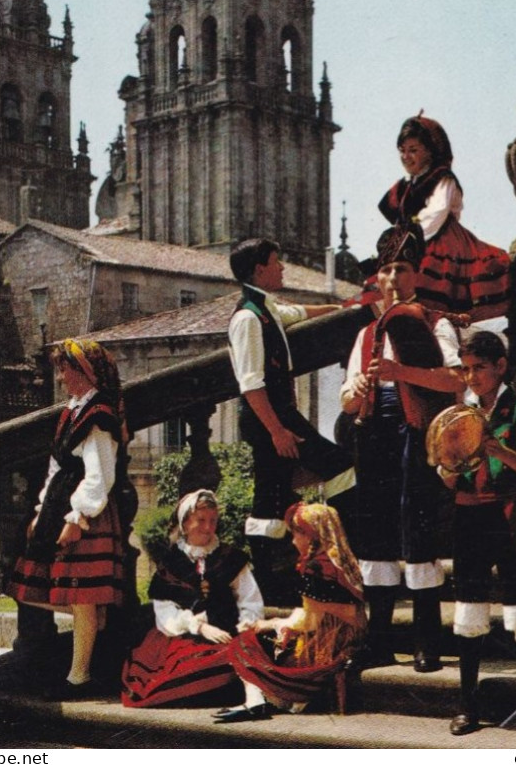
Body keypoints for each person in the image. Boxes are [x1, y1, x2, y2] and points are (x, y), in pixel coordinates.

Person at [340, 223, 463, 670]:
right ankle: (379, 640)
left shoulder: (436, 322)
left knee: (417, 526)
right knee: (375, 531)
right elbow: (349, 398)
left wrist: (400, 372)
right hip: (374, 431)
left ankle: (426, 641)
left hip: (418, 430)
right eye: (387, 270)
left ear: (416, 275)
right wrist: (355, 389)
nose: (393, 278)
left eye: (402, 269)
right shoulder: (365, 334)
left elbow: (455, 380)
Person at [437, 332, 516, 741]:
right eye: (465, 369)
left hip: (508, 516)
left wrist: (494, 449)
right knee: (468, 613)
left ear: (500, 366)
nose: (471, 377)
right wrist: (448, 465)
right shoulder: (458, 413)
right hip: (469, 517)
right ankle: (467, 706)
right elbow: (448, 474)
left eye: (479, 368)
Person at [228, 237, 355, 600]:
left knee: (273, 496)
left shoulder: (265, 310)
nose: (283, 267)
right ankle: (276, 581)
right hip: (270, 421)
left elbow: (297, 313)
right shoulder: (248, 319)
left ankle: (277, 581)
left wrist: (340, 308)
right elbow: (251, 384)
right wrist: (277, 432)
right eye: (276, 261)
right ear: (259, 269)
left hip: (280, 418)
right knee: (329, 472)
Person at [8, 338, 128, 699]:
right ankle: (80, 667)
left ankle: (80, 676)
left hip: (86, 512)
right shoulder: (73, 411)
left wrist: (78, 517)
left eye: (66, 369)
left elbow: (100, 475)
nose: (61, 377)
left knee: (84, 597)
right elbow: (55, 466)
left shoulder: (99, 415)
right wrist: (42, 509)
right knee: (64, 593)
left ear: (85, 372)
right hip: (61, 505)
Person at [121, 489, 269, 718]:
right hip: (182, 636)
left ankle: (251, 697)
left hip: (227, 631)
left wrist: (244, 625)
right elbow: (165, 613)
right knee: (184, 669)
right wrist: (199, 627)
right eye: (201, 520)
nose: (208, 527)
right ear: (185, 523)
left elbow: (250, 600)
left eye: (213, 521)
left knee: (240, 649)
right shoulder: (170, 563)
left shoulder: (230, 558)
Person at [225, 501, 367, 716]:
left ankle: (258, 700)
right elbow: (321, 610)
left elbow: (310, 622)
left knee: (244, 643)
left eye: (296, 534)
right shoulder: (343, 560)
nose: (292, 541)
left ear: (311, 535)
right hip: (350, 639)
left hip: (328, 646)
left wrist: (271, 624)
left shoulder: (317, 568)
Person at [378, 113, 510, 322]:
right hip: (409, 240)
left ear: (429, 152)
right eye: (402, 151)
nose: (406, 157)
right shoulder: (405, 185)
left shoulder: (442, 178)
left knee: (431, 288)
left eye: (413, 151)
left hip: (439, 239)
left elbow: (436, 213)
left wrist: (409, 238)